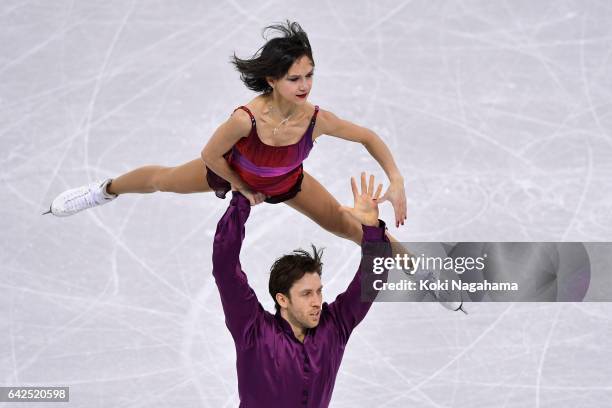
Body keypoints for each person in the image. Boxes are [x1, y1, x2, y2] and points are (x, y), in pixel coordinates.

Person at [213, 172, 390, 407]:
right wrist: (241, 202)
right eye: (306, 294)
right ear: (282, 299)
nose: (317, 301)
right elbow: (225, 268)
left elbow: (371, 280)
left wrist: (372, 229)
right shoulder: (253, 331)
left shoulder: (334, 328)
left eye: (319, 291)